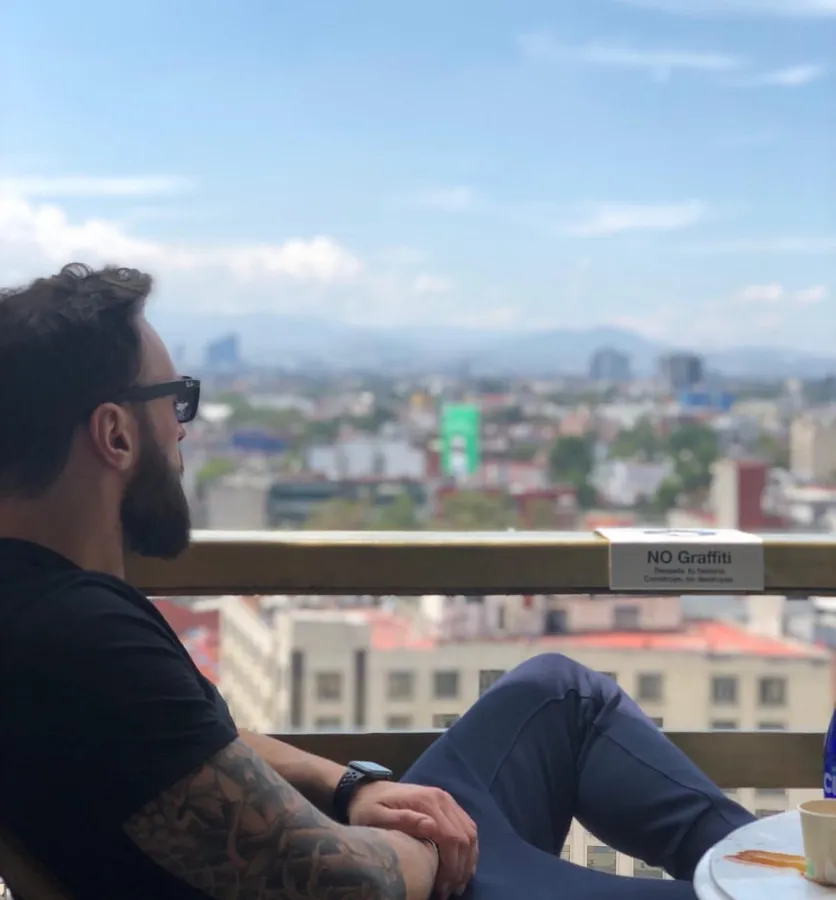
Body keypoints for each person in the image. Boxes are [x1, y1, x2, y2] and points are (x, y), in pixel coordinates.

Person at [0, 263, 754, 900]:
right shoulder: (80, 638)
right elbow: (342, 884)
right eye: (175, 400)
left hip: (368, 856)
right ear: (116, 433)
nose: (183, 428)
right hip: (389, 885)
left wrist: (354, 788)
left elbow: (189, 750)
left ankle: (771, 863)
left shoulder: (41, 605)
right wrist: (427, 842)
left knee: (561, 695)